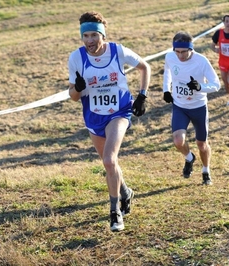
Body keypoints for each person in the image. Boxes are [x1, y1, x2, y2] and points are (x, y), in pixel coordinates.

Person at [68, 11, 151, 232]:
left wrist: (142, 95)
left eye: (94, 35)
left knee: (109, 159)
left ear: (102, 35)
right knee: (110, 164)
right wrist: (77, 87)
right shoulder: (76, 58)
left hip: (119, 112)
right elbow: (74, 97)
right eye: (85, 36)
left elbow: (145, 67)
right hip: (94, 115)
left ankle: (115, 213)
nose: (89, 41)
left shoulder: (117, 51)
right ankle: (125, 191)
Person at [163, 31, 220, 185]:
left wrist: (200, 87)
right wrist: (166, 90)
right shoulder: (170, 56)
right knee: (178, 141)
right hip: (180, 106)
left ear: (191, 49)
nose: (180, 56)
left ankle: (206, 170)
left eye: (184, 52)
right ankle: (189, 158)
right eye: (177, 52)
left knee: (202, 144)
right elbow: (167, 71)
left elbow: (216, 84)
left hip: (198, 107)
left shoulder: (201, 61)